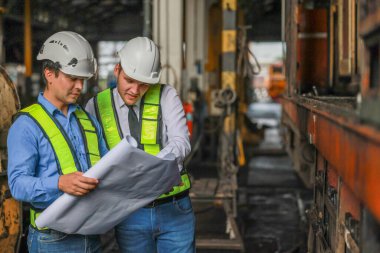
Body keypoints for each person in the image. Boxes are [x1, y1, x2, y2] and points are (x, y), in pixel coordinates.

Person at [85, 37, 195, 253]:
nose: (135, 90)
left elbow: (181, 141)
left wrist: (157, 170)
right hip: (129, 214)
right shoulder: (95, 106)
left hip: (174, 210)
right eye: (129, 80)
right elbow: (93, 158)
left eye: (144, 84)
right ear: (117, 70)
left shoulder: (166, 95)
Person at [7, 31, 108, 253]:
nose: (80, 87)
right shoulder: (26, 125)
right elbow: (18, 185)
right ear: (49, 73)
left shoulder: (88, 121)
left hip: (92, 235)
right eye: (73, 78)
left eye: (83, 79)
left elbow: (107, 167)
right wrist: (59, 183)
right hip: (52, 241)